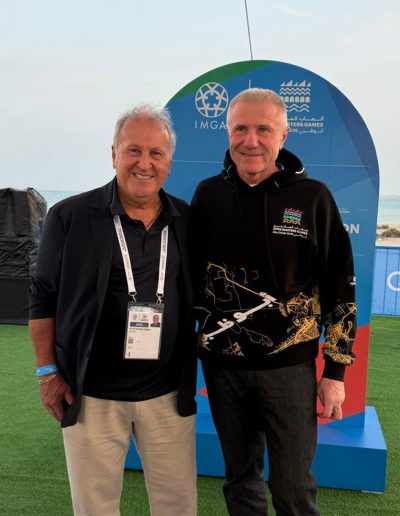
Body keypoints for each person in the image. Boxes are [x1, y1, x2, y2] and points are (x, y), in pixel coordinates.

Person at [191, 88, 356, 516]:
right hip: (223, 368)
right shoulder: (208, 195)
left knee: (293, 487)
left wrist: (335, 371)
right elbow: (190, 284)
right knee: (241, 480)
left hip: (289, 369)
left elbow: (341, 288)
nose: (251, 141)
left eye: (264, 129)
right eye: (240, 129)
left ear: (283, 135)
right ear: (227, 132)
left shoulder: (313, 197)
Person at [29, 105, 197, 516]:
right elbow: (43, 296)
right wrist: (47, 372)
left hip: (166, 394)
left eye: (156, 153)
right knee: (95, 509)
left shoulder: (186, 220)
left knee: (178, 507)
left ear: (169, 162)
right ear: (113, 154)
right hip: (91, 394)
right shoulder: (70, 216)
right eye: (133, 150)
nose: (144, 163)